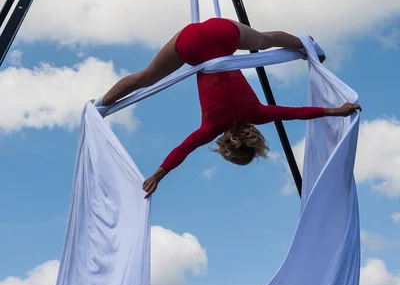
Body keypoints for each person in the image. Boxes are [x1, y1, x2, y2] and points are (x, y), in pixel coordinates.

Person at [97, 18, 360, 198]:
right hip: (190, 44)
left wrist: (336, 110)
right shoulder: (211, 128)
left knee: (266, 39)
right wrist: (157, 175)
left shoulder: (258, 114)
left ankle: (305, 44)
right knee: (146, 78)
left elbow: (298, 113)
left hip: (223, 32)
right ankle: (103, 102)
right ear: (227, 146)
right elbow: (182, 150)